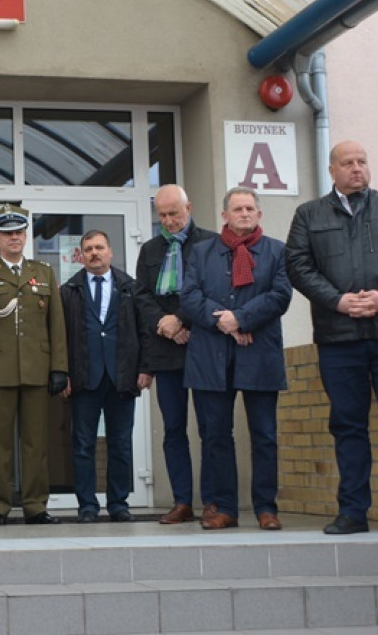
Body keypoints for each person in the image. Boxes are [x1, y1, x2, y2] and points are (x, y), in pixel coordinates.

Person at [286, 141, 378, 536]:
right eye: (348, 163)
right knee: (348, 424)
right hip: (339, 336)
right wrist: (338, 301)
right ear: (332, 170)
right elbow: (298, 265)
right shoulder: (308, 214)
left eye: (362, 162)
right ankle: (352, 511)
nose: (357, 169)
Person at [181, 186, 292, 530]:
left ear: (259, 214)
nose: (244, 214)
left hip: (258, 354)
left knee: (264, 434)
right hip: (210, 357)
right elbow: (188, 297)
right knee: (215, 435)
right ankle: (225, 507)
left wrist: (241, 318)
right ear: (224, 215)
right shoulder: (201, 252)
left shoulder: (276, 251)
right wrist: (226, 322)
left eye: (249, 209)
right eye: (237, 209)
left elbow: (280, 295)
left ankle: (265, 507)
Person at [0, 204, 68, 525]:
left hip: (37, 367)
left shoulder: (44, 272)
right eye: (7, 233)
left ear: (25, 236)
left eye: (19, 233)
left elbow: (57, 324)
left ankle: (36, 505)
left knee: (36, 443)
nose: (14, 239)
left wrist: (59, 367)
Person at [134, 184, 217, 524]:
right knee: (173, 428)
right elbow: (141, 296)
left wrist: (181, 320)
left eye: (174, 214)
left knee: (211, 428)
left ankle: (212, 501)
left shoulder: (211, 243)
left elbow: (211, 290)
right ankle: (182, 501)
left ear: (189, 207)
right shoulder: (150, 250)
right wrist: (165, 324)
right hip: (165, 349)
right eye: (162, 215)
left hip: (204, 346)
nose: (168, 221)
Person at [60, 230, 145, 523]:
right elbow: (60, 338)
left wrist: (145, 368)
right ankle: (87, 506)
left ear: (110, 252)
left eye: (99, 247)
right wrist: (63, 375)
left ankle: (119, 504)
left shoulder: (130, 287)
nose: (94, 253)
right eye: (88, 249)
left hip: (122, 377)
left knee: (120, 444)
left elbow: (143, 331)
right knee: (83, 445)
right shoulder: (69, 290)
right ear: (80, 255)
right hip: (84, 377)